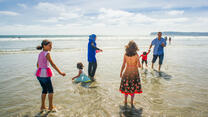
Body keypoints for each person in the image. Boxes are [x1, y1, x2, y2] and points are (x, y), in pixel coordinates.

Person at [36, 40, 66, 111]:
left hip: (39, 73)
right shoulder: (47, 53)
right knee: (51, 91)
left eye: (51, 46)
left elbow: (37, 64)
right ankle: (50, 107)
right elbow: (53, 64)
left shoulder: (40, 53)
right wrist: (60, 73)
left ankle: (42, 106)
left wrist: (41, 69)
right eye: (49, 45)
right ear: (44, 46)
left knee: (44, 90)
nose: (51, 47)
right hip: (45, 74)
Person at [120, 40, 142, 107]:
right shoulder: (136, 55)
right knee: (133, 87)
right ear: (135, 47)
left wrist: (121, 72)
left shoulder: (125, 55)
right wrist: (138, 60)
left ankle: (126, 101)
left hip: (127, 72)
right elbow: (139, 66)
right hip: (134, 73)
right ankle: (132, 102)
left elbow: (123, 64)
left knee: (127, 87)